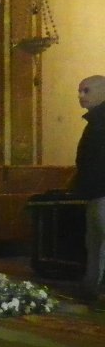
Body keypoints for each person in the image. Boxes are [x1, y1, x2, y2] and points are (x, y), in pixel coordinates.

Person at [72, 75, 105, 306]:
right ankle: (92, 288)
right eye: (80, 91)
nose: (80, 96)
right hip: (94, 193)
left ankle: (99, 290)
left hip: (102, 192)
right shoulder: (95, 122)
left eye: (86, 90)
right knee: (93, 244)